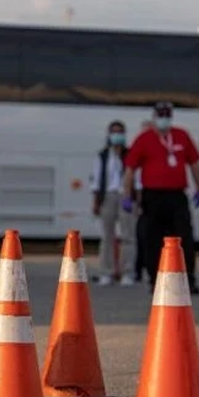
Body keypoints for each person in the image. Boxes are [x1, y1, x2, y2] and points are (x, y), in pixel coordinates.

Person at [122, 102, 199, 295]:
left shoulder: (182, 136)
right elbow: (130, 169)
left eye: (167, 115)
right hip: (153, 196)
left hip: (176, 196)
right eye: (160, 115)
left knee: (184, 238)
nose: (164, 119)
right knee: (152, 240)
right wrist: (127, 195)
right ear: (154, 117)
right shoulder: (144, 139)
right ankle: (155, 280)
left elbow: (194, 163)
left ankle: (188, 280)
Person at [90, 120, 136, 287]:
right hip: (108, 196)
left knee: (128, 236)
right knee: (107, 236)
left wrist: (136, 200)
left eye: (120, 132)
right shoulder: (102, 156)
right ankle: (106, 272)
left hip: (126, 195)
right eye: (114, 132)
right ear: (109, 135)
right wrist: (96, 202)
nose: (117, 136)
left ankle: (127, 272)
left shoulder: (130, 155)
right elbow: (96, 180)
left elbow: (137, 178)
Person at [133, 119, 153, 283]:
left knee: (150, 236)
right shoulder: (136, 152)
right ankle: (138, 269)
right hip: (140, 200)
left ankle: (149, 268)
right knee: (139, 236)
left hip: (152, 198)